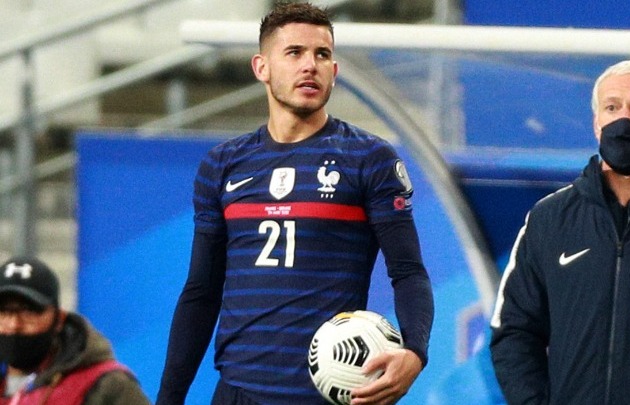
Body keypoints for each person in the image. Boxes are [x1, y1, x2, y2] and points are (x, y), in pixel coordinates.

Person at [156, 2, 434, 405]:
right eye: (294, 53)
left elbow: (408, 271)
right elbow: (201, 291)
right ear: (261, 67)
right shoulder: (222, 163)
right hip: (237, 393)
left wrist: (415, 352)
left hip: (324, 395)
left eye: (322, 55)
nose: (310, 65)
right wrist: (168, 398)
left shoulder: (369, 159)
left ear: (334, 71)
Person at [489, 60, 630, 404]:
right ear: (597, 122)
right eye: (612, 107)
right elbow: (514, 330)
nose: (624, 119)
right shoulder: (549, 218)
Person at [0, 256, 151, 405]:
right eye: (3, 312)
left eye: (29, 312)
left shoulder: (106, 386)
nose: (14, 325)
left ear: (59, 319)